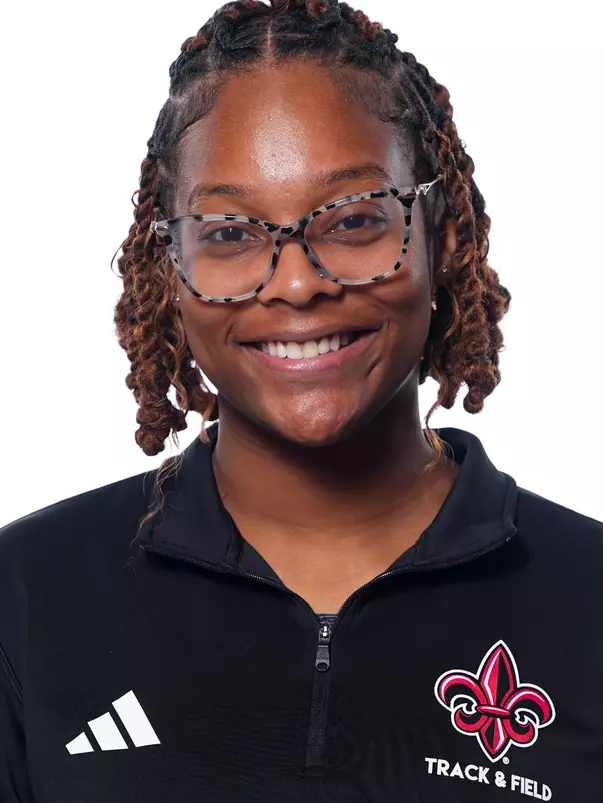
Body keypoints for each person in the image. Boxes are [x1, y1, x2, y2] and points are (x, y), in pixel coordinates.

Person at [1, 1, 602, 800]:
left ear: (438, 232)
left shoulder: (588, 597)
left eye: (353, 220)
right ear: (166, 267)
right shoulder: (27, 595)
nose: (295, 282)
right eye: (228, 231)